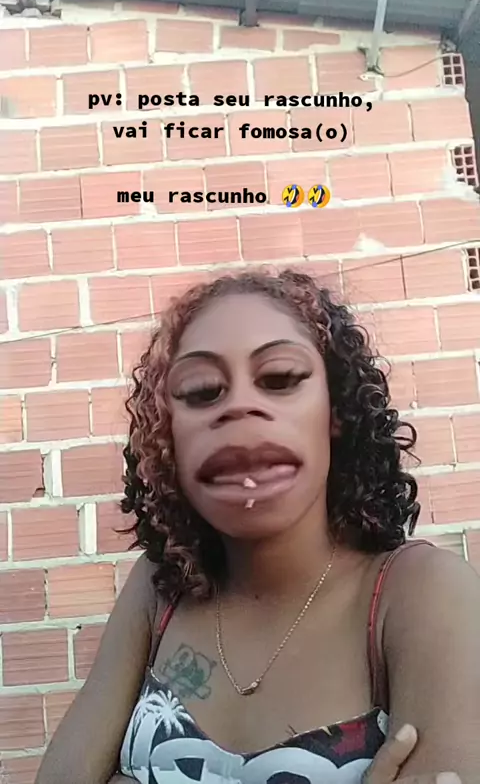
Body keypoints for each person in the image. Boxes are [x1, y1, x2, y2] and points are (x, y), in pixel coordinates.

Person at [35, 268, 479, 784]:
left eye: (280, 378)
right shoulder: (159, 587)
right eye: (202, 390)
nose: (240, 406)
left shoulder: (422, 593)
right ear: (169, 436)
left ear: (335, 410)